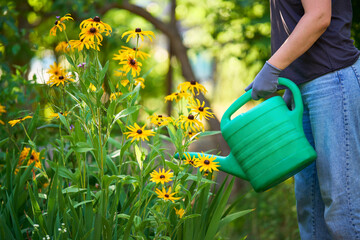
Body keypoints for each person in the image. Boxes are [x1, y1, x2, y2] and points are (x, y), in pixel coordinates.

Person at [245, 0, 360, 239]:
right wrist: (291, 76)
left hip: (332, 81)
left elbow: (319, 16)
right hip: (303, 88)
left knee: (344, 211)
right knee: (312, 213)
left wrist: (273, 67)